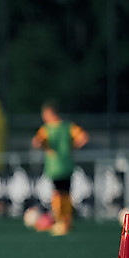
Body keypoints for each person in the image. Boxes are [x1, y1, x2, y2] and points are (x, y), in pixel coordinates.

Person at [32, 100, 89, 236]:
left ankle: (59, 221)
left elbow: (36, 142)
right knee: (66, 193)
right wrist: (71, 147)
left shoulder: (47, 129)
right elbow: (83, 138)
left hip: (54, 166)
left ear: (47, 114)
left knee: (57, 193)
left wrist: (45, 147)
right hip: (67, 164)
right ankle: (67, 221)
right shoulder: (68, 126)